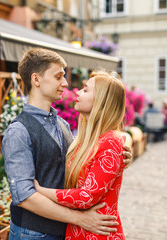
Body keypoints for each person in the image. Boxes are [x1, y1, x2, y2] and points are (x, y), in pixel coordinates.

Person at [2, 48, 133, 240]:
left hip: (64, 231)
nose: (65, 83)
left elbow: (83, 167)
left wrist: (120, 155)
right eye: (58, 77)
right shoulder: (18, 131)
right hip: (32, 233)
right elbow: (25, 197)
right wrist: (79, 219)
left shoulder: (62, 124)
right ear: (36, 80)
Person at [34, 71, 128, 239]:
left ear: (101, 101)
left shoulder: (110, 141)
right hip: (82, 230)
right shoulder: (86, 139)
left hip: (98, 232)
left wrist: (40, 190)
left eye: (85, 90)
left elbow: (87, 196)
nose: (77, 92)